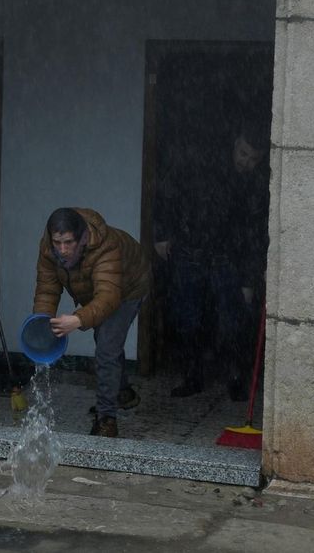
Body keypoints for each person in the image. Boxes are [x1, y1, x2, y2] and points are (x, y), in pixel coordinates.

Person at [153, 124, 269, 401]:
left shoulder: (256, 186)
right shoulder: (200, 165)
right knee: (185, 318)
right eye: (243, 154)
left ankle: (236, 378)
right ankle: (192, 376)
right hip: (189, 249)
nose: (246, 162)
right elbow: (170, 194)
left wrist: (249, 279)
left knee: (233, 321)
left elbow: (253, 233)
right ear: (235, 142)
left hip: (228, 259)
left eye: (253, 159)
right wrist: (162, 234)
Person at [33, 207, 151, 438]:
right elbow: (47, 289)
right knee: (107, 342)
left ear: (83, 237)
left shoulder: (106, 246)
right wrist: (41, 326)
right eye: (58, 242)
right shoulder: (49, 247)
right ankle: (123, 393)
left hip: (128, 288)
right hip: (98, 292)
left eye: (68, 242)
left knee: (107, 346)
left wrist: (78, 319)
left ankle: (106, 419)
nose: (63, 249)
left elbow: (109, 297)